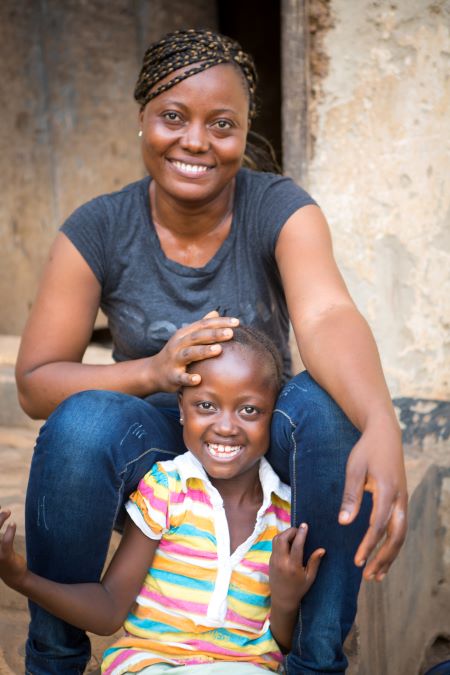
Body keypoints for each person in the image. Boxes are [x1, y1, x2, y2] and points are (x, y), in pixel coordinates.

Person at [15, 29, 407, 675]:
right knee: (82, 422)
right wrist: (151, 371)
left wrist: (381, 420)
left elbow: (327, 312)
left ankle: (315, 663)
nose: (195, 141)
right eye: (174, 116)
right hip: (157, 445)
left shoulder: (278, 207)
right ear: (143, 119)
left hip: (255, 441)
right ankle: (53, 662)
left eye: (221, 124)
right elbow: (33, 385)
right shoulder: (99, 227)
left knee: (329, 409)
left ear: (245, 131)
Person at [1, 328, 325, 674]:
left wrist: (287, 599)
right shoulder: (166, 491)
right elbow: (109, 611)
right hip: (153, 663)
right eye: (206, 406)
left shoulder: (285, 514)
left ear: (273, 417)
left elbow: (284, 643)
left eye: (248, 409)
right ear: (182, 411)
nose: (227, 426)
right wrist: (22, 578)